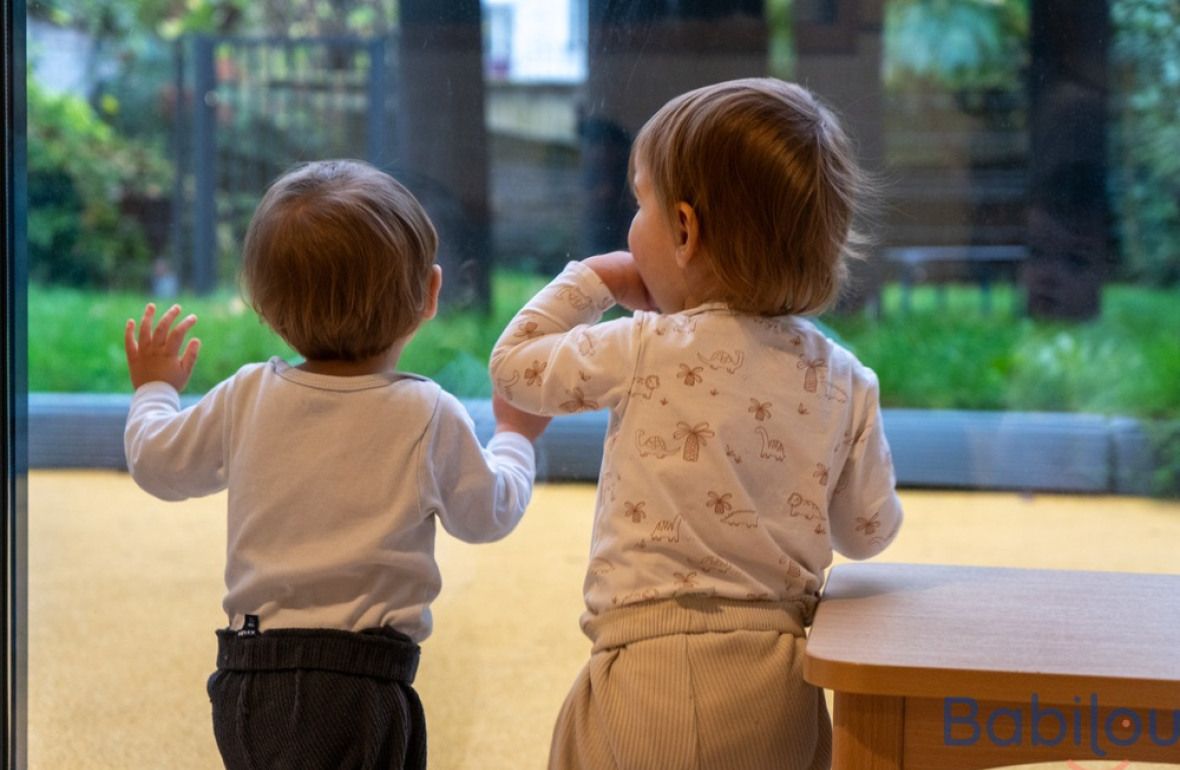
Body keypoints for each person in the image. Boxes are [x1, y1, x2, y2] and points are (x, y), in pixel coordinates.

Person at [490, 78, 903, 770]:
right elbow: (868, 533)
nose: (631, 226)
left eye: (639, 202)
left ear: (684, 230)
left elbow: (514, 367)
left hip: (654, 668)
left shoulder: (649, 346)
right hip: (785, 682)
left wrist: (594, 280)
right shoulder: (845, 379)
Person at [123, 159, 548, 770]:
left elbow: (157, 462)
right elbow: (489, 514)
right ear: (429, 294)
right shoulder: (426, 412)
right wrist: (515, 437)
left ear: (265, 310)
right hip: (363, 683)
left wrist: (155, 389)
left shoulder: (248, 394)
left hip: (249, 675)